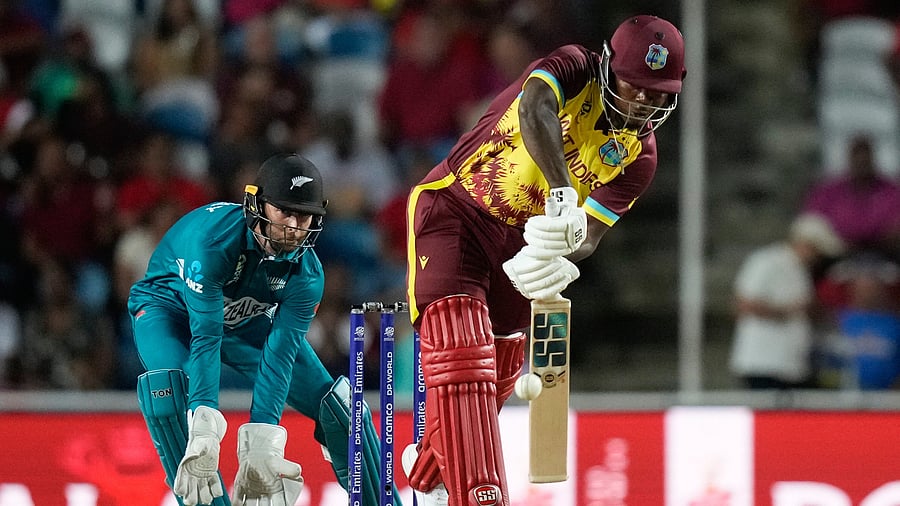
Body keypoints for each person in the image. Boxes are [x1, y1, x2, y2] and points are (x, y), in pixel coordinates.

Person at [401, 15, 686, 506]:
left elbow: (590, 233)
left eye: (658, 92)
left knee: (498, 377)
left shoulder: (639, 158)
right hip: (457, 210)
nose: (644, 100)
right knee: (464, 357)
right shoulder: (573, 67)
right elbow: (534, 108)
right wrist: (561, 192)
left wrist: (562, 249)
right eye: (634, 85)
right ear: (607, 65)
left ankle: (428, 482)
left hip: (520, 244)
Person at [128, 154, 396, 506]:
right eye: (284, 212)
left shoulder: (308, 276)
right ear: (256, 205)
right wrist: (205, 428)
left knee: (343, 412)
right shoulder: (214, 242)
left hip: (244, 321)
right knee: (169, 398)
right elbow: (206, 336)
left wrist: (262, 443)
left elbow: (279, 357)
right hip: (170, 311)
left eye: (304, 216)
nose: (294, 227)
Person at [729, 214, 846, 390]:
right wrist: (790, 310)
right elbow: (743, 305)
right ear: (806, 244)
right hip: (763, 363)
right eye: (817, 251)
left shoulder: (800, 270)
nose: (818, 258)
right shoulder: (766, 261)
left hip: (791, 364)